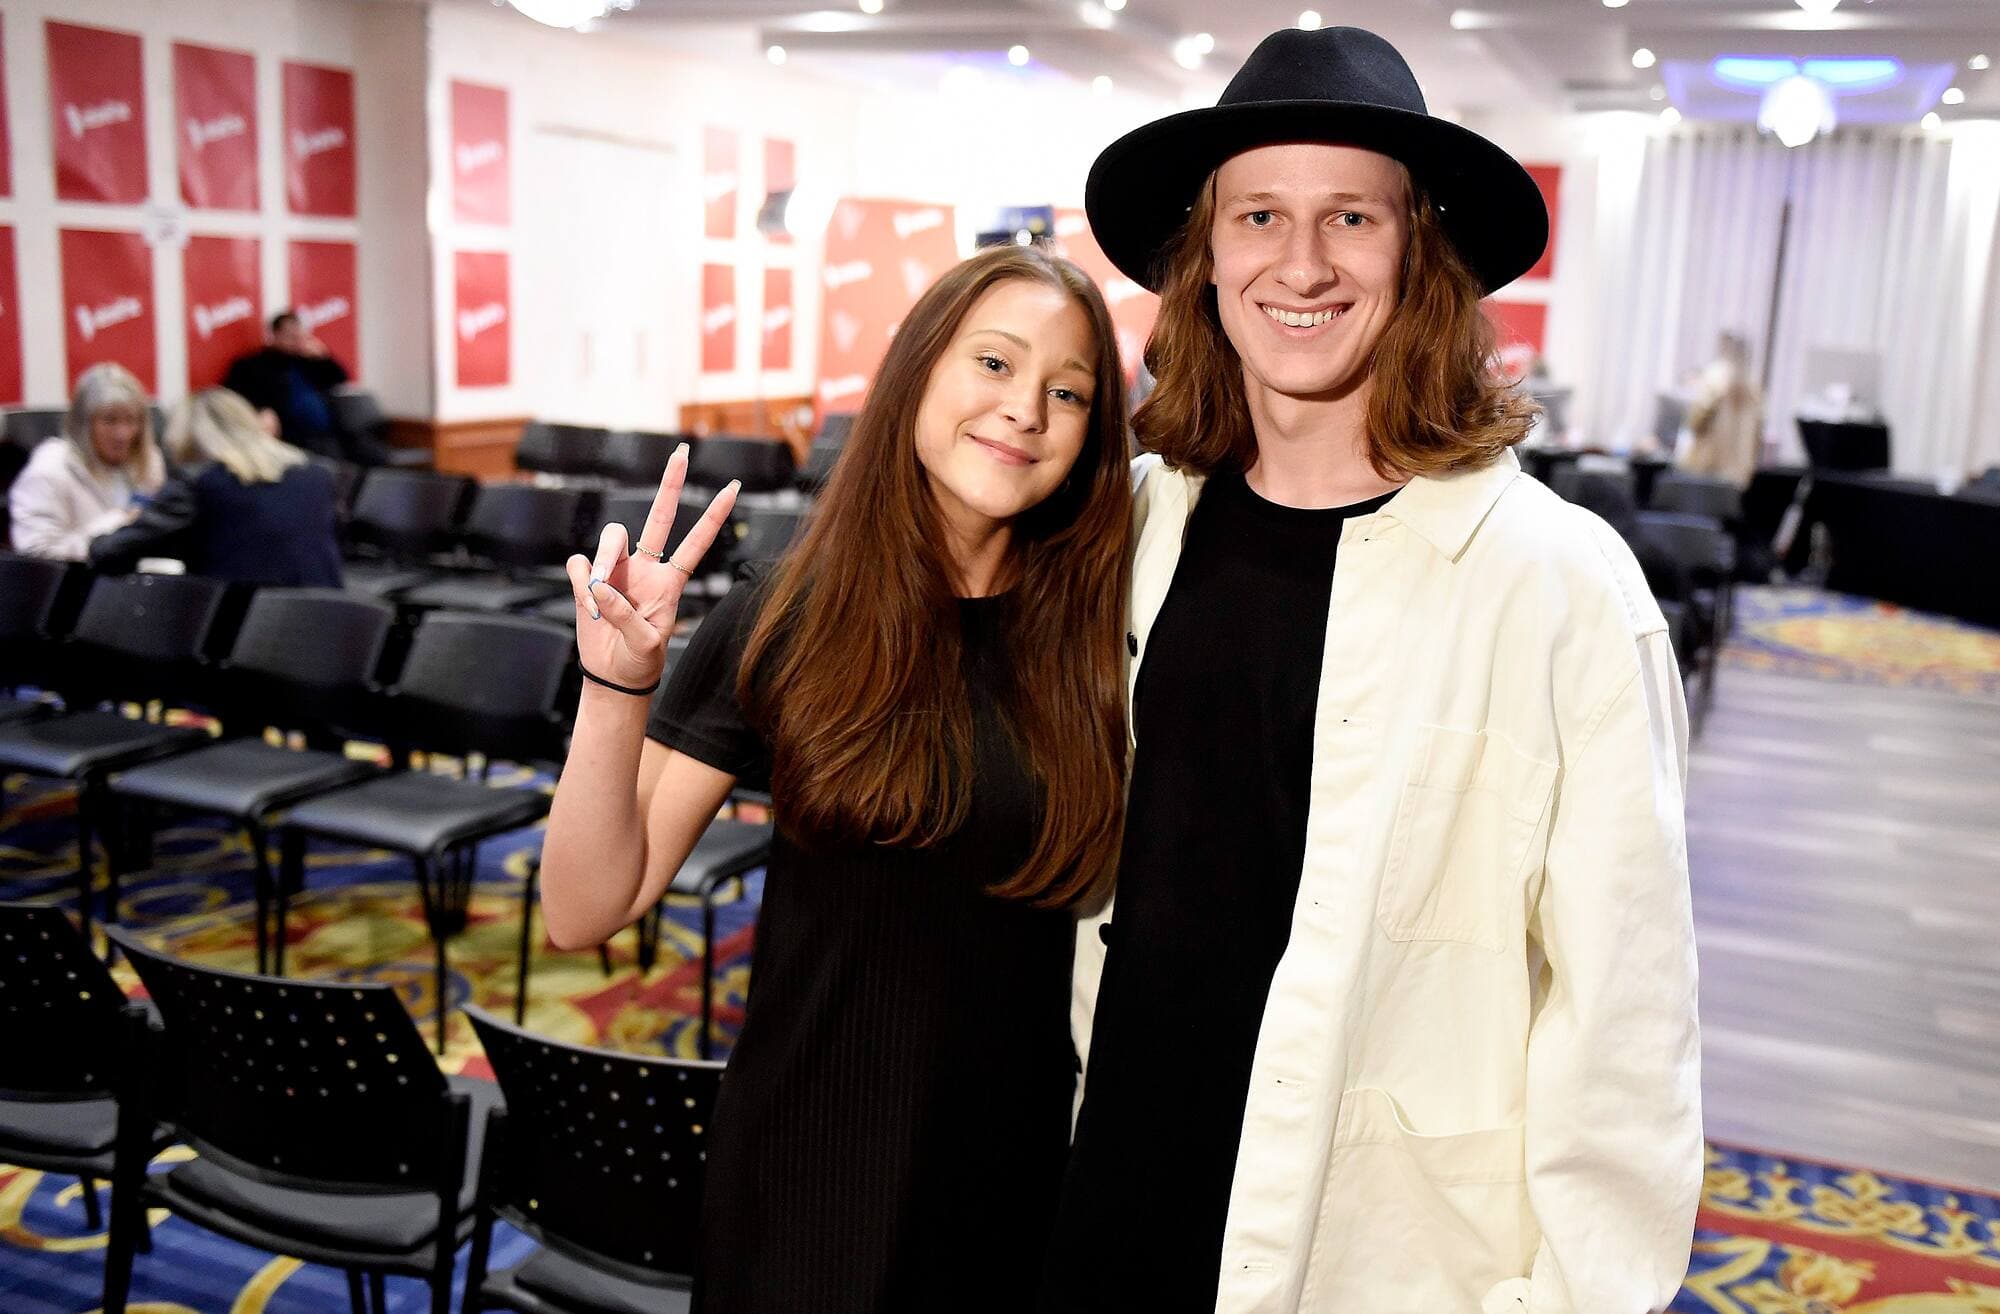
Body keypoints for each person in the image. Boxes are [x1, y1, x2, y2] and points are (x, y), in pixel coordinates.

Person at [1041, 26, 1701, 1314]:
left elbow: (1626, 1014)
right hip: (1113, 1174)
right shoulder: (1132, 523)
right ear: (1206, 254)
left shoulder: (1558, 584)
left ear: (1417, 253)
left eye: (1349, 215)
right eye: (1258, 216)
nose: (1300, 263)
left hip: (1375, 1245)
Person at [538, 244, 1133, 1312]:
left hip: (1023, 1169)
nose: (1026, 411)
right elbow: (587, 908)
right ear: (915, 374)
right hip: (810, 1158)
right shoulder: (790, 614)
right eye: (993, 364)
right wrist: (615, 686)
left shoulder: (1101, 636)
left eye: (1068, 391)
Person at [89, 387, 342, 587]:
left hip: (241, 632)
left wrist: (121, 522)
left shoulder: (199, 481)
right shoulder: (317, 474)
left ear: (185, 437)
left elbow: (108, 552)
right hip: (326, 628)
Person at [8, 363, 165, 560]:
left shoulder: (149, 461)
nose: (122, 434)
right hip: (78, 584)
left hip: (139, 580)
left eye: (131, 420)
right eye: (110, 420)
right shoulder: (50, 469)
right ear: (84, 423)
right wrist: (114, 529)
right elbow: (36, 554)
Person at [222, 309, 363, 463]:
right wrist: (260, 409)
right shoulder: (251, 364)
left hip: (327, 436)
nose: (298, 342)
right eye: (291, 337)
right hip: (287, 438)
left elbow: (340, 379)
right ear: (274, 335)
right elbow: (231, 399)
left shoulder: (308, 362)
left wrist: (324, 357)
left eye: (301, 336)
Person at [1679, 330, 1764, 487]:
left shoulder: (1715, 376)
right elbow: (1758, 434)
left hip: (1709, 464)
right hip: (1738, 471)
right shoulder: (1754, 387)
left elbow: (1696, 419)